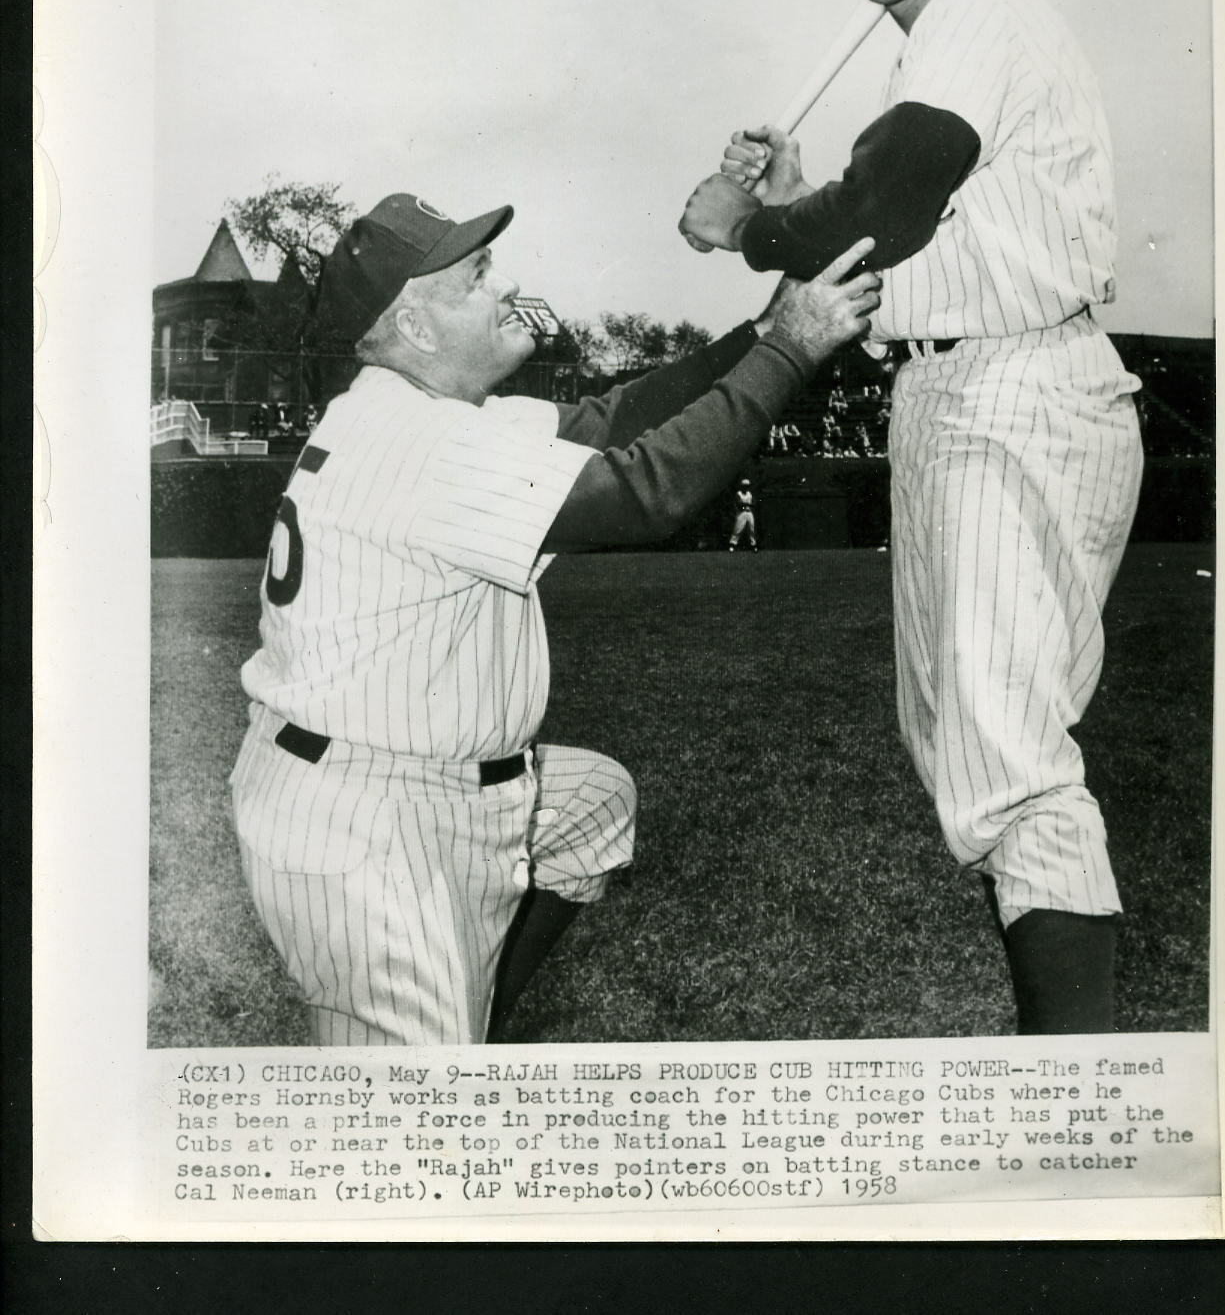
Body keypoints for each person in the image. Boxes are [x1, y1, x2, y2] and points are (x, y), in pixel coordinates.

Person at [679, 0, 1144, 1033]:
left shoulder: (982, 16)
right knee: (952, 736)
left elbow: (890, 198)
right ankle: (1055, 1026)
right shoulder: (931, 40)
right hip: (950, 387)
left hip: (1019, 385)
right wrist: (789, 206)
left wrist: (750, 228)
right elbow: (877, 236)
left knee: (1006, 758)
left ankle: (1066, 1086)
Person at [228, 190, 881, 1046]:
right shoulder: (422, 443)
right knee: (401, 1156)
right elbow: (648, 492)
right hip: (365, 825)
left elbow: (608, 421)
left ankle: (472, 1025)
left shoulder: (420, 414)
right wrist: (790, 353)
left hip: (397, 778)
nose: (504, 286)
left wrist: (758, 334)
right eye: (475, 276)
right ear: (416, 328)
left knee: (591, 803)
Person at [728, 478, 758, 551]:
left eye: (747, 486)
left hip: (749, 512)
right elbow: (739, 504)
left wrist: (745, 504)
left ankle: (753, 545)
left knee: (751, 529)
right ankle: (732, 545)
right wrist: (747, 504)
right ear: (742, 486)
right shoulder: (739, 493)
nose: (746, 487)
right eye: (745, 486)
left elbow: (754, 503)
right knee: (738, 529)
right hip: (741, 513)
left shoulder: (749, 494)